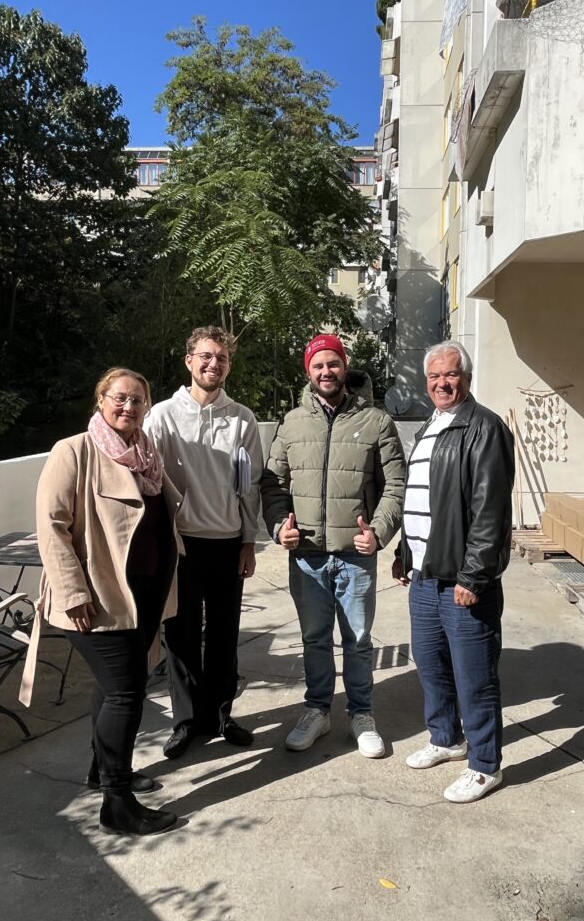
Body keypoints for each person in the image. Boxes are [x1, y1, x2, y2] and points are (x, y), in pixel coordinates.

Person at [31, 367, 182, 836]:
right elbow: (51, 526)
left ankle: (102, 770)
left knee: (110, 687)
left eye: (138, 400)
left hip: (143, 596)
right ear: (100, 400)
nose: (129, 406)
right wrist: (73, 592)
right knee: (126, 692)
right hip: (98, 599)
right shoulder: (74, 451)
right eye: (120, 397)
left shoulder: (146, 456)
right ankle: (117, 803)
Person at [261, 334, 405, 757]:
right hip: (306, 555)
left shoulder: (376, 421)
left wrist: (378, 531)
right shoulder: (292, 423)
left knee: (358, 640)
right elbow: (273, 484)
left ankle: (361, 714)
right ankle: (318, 711)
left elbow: (395, 484)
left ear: (345, 367)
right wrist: (276, 525)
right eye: (318, 365)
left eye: (333, 364)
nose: (327, 371)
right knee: (315, 639)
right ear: (308, 371)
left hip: (355, 555)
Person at [393, 340, 514, 803]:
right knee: (431, 665)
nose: (442, 384)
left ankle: (485, 765)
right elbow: (421, 498)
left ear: (466, 377)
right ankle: (445, 738)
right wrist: (406, 552)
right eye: (434, 378)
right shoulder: (432, 425)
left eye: (451, 375)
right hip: (425, 575)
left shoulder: (483, 428)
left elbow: (491, 512)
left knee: (475, 675)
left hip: (462, 579)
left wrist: (475, 576)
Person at [145, 326, 263, 760]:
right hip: (181, 545)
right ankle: (185, 721)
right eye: (207, 357)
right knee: (180, 634)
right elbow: (149, 483)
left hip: (228, 542)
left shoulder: (242, 419)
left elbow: (247, 487)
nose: (215, 364)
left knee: (224, 635)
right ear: (189, 361)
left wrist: (249, 541)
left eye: (223, 358)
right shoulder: (161, 416)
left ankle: (220, 715)